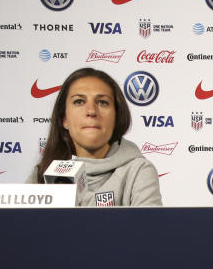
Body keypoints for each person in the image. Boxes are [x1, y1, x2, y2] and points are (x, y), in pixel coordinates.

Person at [27, 67, 162, 207]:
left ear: (116, 117)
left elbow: (149, 228)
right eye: (79, 101)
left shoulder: (138, 170)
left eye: (102, 102)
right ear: (64, 119)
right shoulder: (42, 172)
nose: (91, 111)